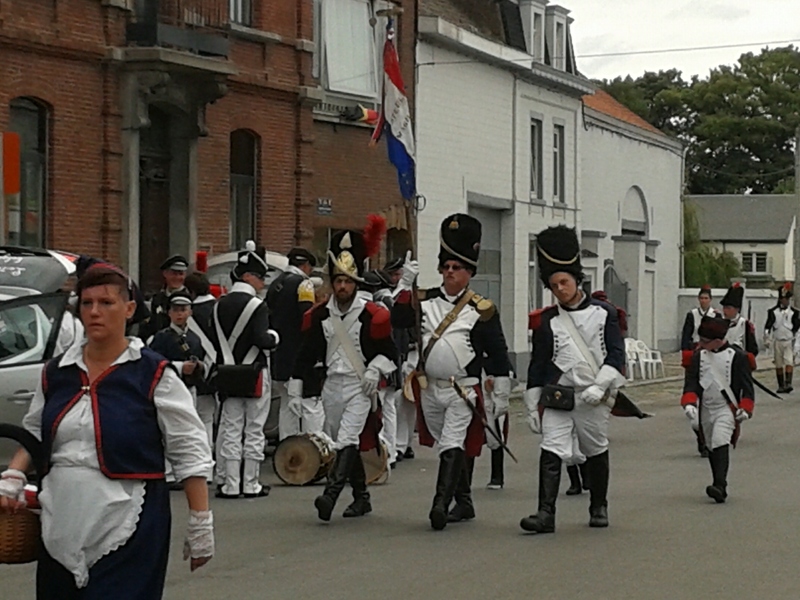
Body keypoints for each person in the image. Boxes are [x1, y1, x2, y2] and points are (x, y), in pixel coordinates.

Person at [0, 265, 213, 599]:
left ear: (129, 309)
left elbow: (189, 451)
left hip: (129, 518)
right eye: (87, 303)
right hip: (62, 517)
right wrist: (13, 474)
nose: (95, 312)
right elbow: (35, 432)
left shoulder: (153, 373)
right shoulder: (56, 372)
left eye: (106, 303)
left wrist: (200, 521)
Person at [392, 213, 512, 531]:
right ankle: (465, 501)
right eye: (445, 267)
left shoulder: (482, 309)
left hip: (463, 390)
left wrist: (501, 393)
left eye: (456, 268)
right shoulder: (425, 299)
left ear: (469, 272)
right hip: (430, 387)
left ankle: (440, 506)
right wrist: (405, 284)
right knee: (447, 443)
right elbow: (399, 320)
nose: (449, 273)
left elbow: (498, 354)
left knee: (452, 443)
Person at [520, 225, 626, 534]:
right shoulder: (545, 321)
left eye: (564, 282)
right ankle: (545, 513)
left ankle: (599, 505)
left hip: (592, 395)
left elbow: (616, 356)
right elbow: (538, 365)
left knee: (595, 449)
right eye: (553, 285)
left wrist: (600, 385)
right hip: (558, 395)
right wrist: (531, 404)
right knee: (551, 448)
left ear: (577, 279)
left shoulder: (605, 313)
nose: (560, 290)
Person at [288, 227, 397, 521]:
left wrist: (375, 369)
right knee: (345, 440)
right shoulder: (320, 316)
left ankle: (330, 497)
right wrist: (295, 388)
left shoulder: (372, 314)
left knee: (347, 439)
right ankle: (362, 497)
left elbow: (391, 352)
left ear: (356, 282)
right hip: (331, 387)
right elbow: (306, 354)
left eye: (348, 281)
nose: (342, 287)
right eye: (338, 280)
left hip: (361, 387)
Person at [210, 241, 280, 499]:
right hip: (254, 374)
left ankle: (230, 484)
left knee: (230, 429)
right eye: (260, 277)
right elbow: (263, 340)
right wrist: (274, 337)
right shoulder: (257, 306)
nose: (262, 282)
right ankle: (250, 484)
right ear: (248, 277)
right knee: (253, 429)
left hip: (228, 373)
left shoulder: (219, 304)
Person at [681, 315, 755, 503]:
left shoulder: (738, 357)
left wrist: (745, 409)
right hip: (705, 407)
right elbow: (691, 383)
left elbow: (747, 388)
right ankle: (717, 482)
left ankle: (720, 485)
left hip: (726, 407)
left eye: (705, 341)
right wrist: (689, 403)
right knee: (710, 444)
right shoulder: (698, 356)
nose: (701, 344)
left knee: (720, 440)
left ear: (717, 340)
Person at [267, 247, 323, 440]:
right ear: (306, 266)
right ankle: (306, 450)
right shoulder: (304, 285)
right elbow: (307, 319)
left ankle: (286, 446)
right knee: (304, 404)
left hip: (278, 353)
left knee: (285, 404)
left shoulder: (275, 284)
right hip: (297, 355)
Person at [680, 285, 719, 456]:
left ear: (710, 300)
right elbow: (686, 334)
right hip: (696, 351)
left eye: (706, 298)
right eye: (701, 298)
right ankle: (700, 438)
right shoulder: (692, 314)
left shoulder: (715, 315)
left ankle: (709, 440)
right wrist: (686, 353)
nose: (703, 301)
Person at [184, 271, 219, 454]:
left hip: (195, 370)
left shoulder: (189, 313)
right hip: (216, 368)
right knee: (209, 421)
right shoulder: (218, 307)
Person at [139, 254, 190, 342]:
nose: (177, 277)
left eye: (181, 274)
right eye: (174, 274)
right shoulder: (157, 299)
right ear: (165, 274)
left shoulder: (191, 298)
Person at [764, 283, 800, 393]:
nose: (786, 301)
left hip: (789, 340)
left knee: (789, 361)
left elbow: (797, 328)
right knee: (778, 363)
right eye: (784, 299)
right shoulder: (773, 312)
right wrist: (767, 338)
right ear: (780, 300)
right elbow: (768, 326)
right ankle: (781, 385)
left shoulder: (795, 312)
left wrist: (797, 343)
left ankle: (788, 383)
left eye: (787, 299)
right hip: (777, 340)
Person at [720, 283, 758, 368]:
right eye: (724, 308)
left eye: (729, 308)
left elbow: (752, 348)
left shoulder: (744, 324)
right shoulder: (719, 322)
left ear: (737, 309)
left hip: (738, 363)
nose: (725, 311)